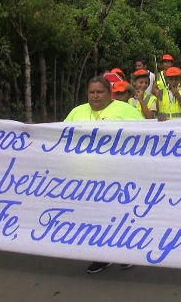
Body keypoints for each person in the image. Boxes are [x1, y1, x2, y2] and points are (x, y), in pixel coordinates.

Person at [64, 76, 142, 273]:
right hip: (87, 177)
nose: (95, 96)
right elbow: (60, 134)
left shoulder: (127, 111)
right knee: (93, 217)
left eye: (100, 92)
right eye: (92, 92)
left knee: (118, 215)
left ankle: (125, 254)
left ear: (110, 93)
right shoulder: (77, 112)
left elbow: (147, 133)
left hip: (118, 175)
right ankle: (101, 256)